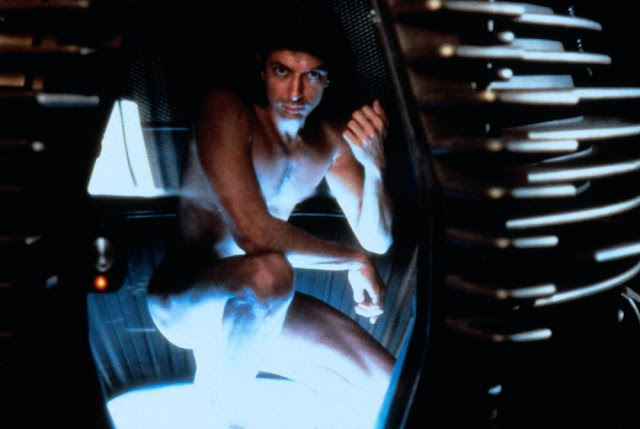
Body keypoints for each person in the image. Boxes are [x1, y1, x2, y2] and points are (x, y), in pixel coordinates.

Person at [146, 5, 395, 427]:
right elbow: (255, 235)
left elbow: (378, 240)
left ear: (328, 79)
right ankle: (223, 408)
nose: (296, 92)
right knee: (270, 272)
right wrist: (353, 260)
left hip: (263, 310)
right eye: (283, 72)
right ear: (262, 68)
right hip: (188, 299)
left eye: (312, 75)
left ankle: (248, 366)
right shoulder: (227, 110)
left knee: (391, 381)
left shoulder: (328, 139)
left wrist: (374, 168)